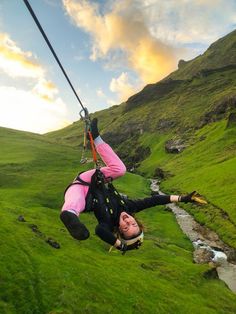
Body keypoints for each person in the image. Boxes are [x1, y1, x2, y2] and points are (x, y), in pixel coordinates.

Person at [60, 118, 201, 253]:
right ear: (136, 221)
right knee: (120, 169)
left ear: (120, 229)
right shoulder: (129, 206)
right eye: (133, 224)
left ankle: (69, 215)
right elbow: (154, 201)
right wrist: (183, 198)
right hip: (92, 179)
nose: (128, 222)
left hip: (78, 188)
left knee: (77, 202)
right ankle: (96, 137)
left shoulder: (107, 223)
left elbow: (99, 231)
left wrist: (120, 246)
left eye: (126, 228)